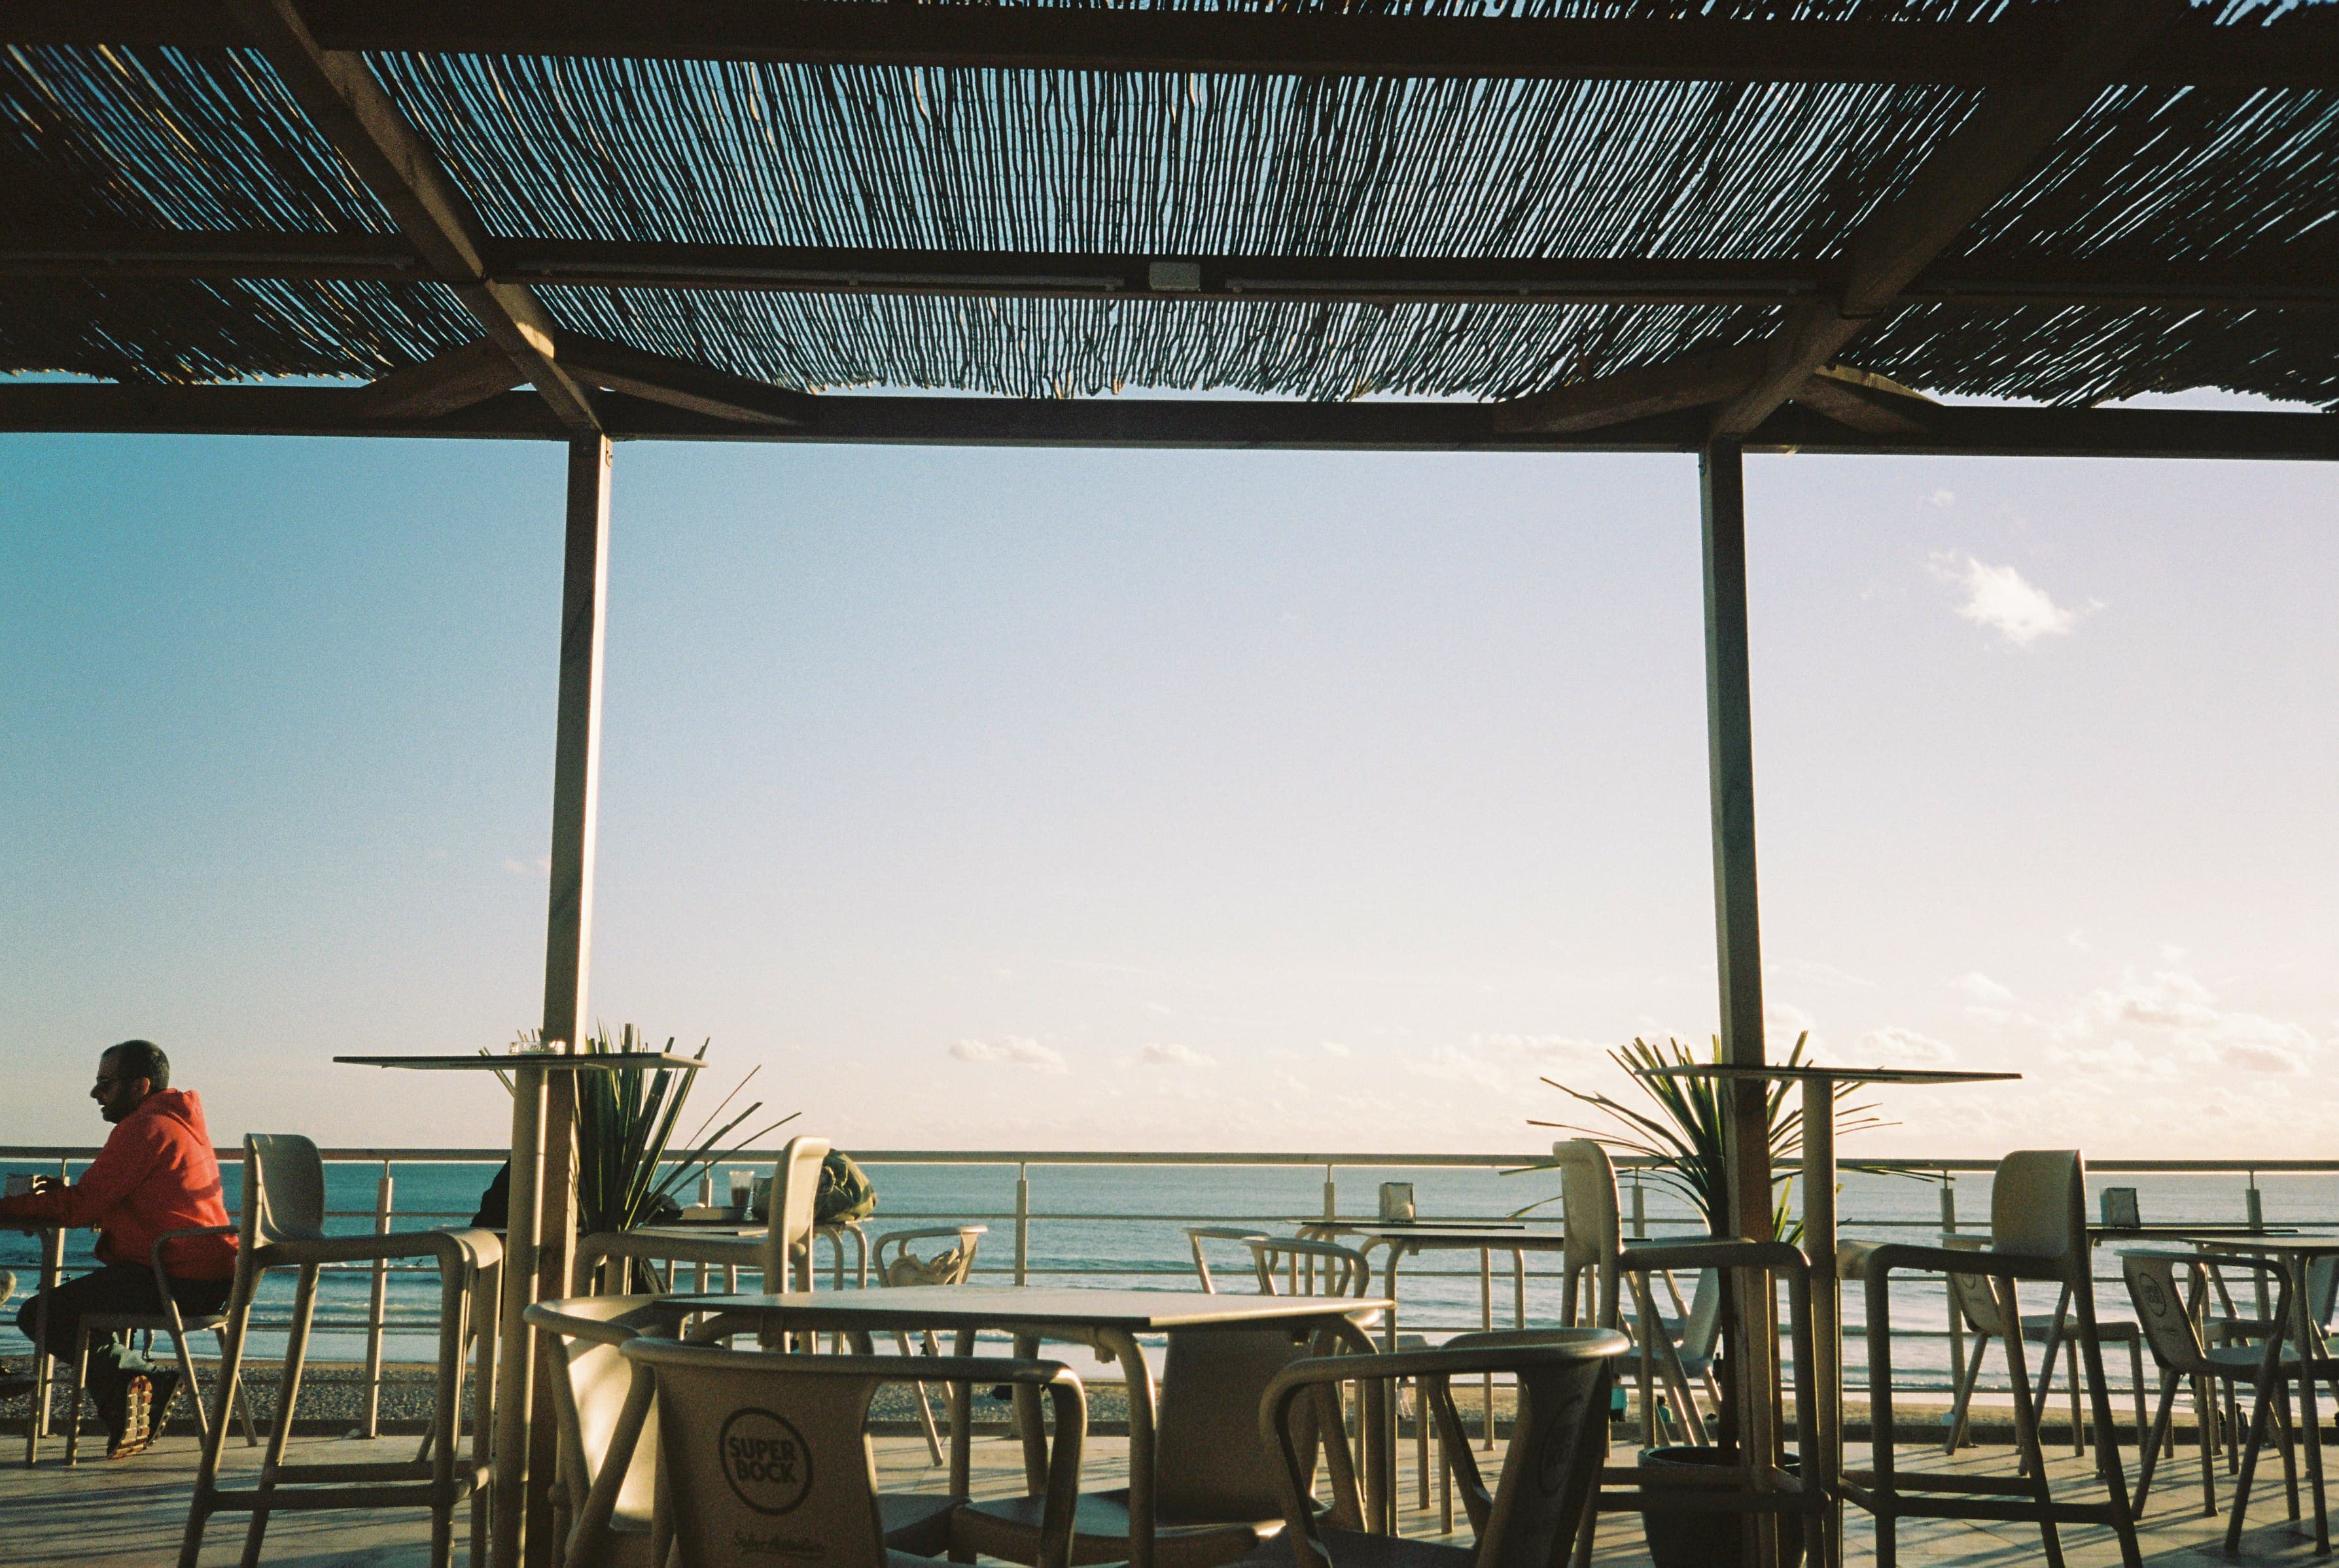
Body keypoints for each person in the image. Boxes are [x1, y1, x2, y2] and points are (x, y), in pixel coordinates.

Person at [0, 1041, 237, 1458]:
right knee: (80, 1309)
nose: (96, 1093)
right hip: (208, 1277)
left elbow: (79, 1208)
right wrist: (77, 1199)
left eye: (105, 1084)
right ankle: (131, 1397)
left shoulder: (143, 1129)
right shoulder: (175, 1124)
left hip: (174, 1280)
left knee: (40, 1314)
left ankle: (144, 1380)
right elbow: (123, 1198)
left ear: (140, 1086)